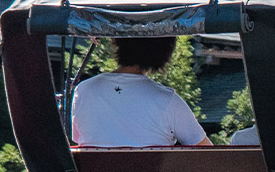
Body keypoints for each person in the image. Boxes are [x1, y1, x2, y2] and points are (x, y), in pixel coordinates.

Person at [70, 37, 211, 148]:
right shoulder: (167, 100)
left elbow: (79, 138)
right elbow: (206, 153)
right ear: (164, 51)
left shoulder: (83, 90)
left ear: (117, 42)